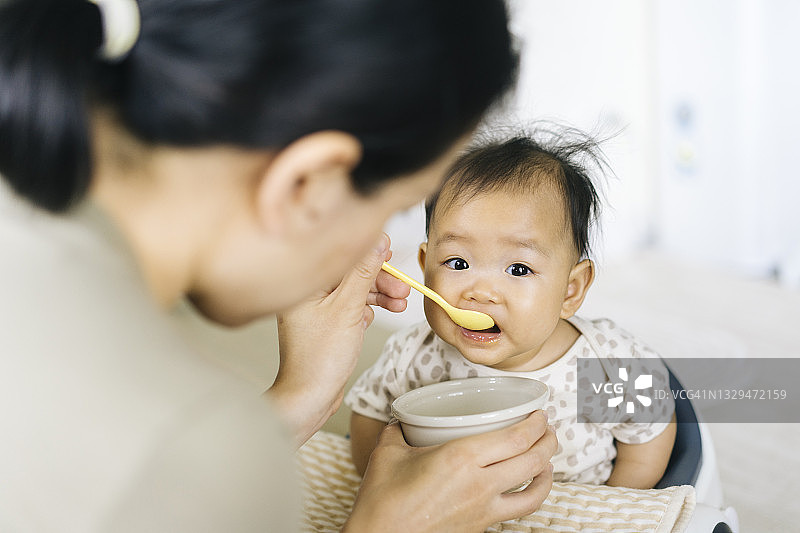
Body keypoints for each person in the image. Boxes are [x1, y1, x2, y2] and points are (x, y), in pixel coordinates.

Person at [0, 0, 557, 531]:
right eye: (396, 207)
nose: (480, 291)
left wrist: (301, 392)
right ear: (306, 185)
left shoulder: (599, 352)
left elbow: (635, 415)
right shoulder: (404, 361)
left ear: (576, 285)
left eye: (519, 268)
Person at [347, 130, 677, 489]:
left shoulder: (606, 363)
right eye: (457, 263)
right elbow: (369, 415)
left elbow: (650, 433)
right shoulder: (412, 355)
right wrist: (390, 489)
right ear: (425, 267)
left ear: (570, 290)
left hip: (573, 509)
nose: (480, 292)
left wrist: (615, 502)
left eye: (518, 269)